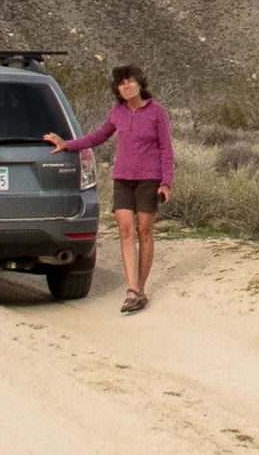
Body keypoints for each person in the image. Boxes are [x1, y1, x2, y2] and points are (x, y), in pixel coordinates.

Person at [46, 65, 173, 314]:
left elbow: (166, 150)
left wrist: (166, 182)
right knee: (125, 230)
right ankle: (132, 289)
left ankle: (142, 288)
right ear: (117, 89)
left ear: (140, 83)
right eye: (121, 83)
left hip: (149, 179)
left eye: (130, 82)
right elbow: (98, 136)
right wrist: (67, 145)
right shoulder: (117, 112)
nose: (126, 86)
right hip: (122, 179)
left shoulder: (157, 112)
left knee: (144, 231)